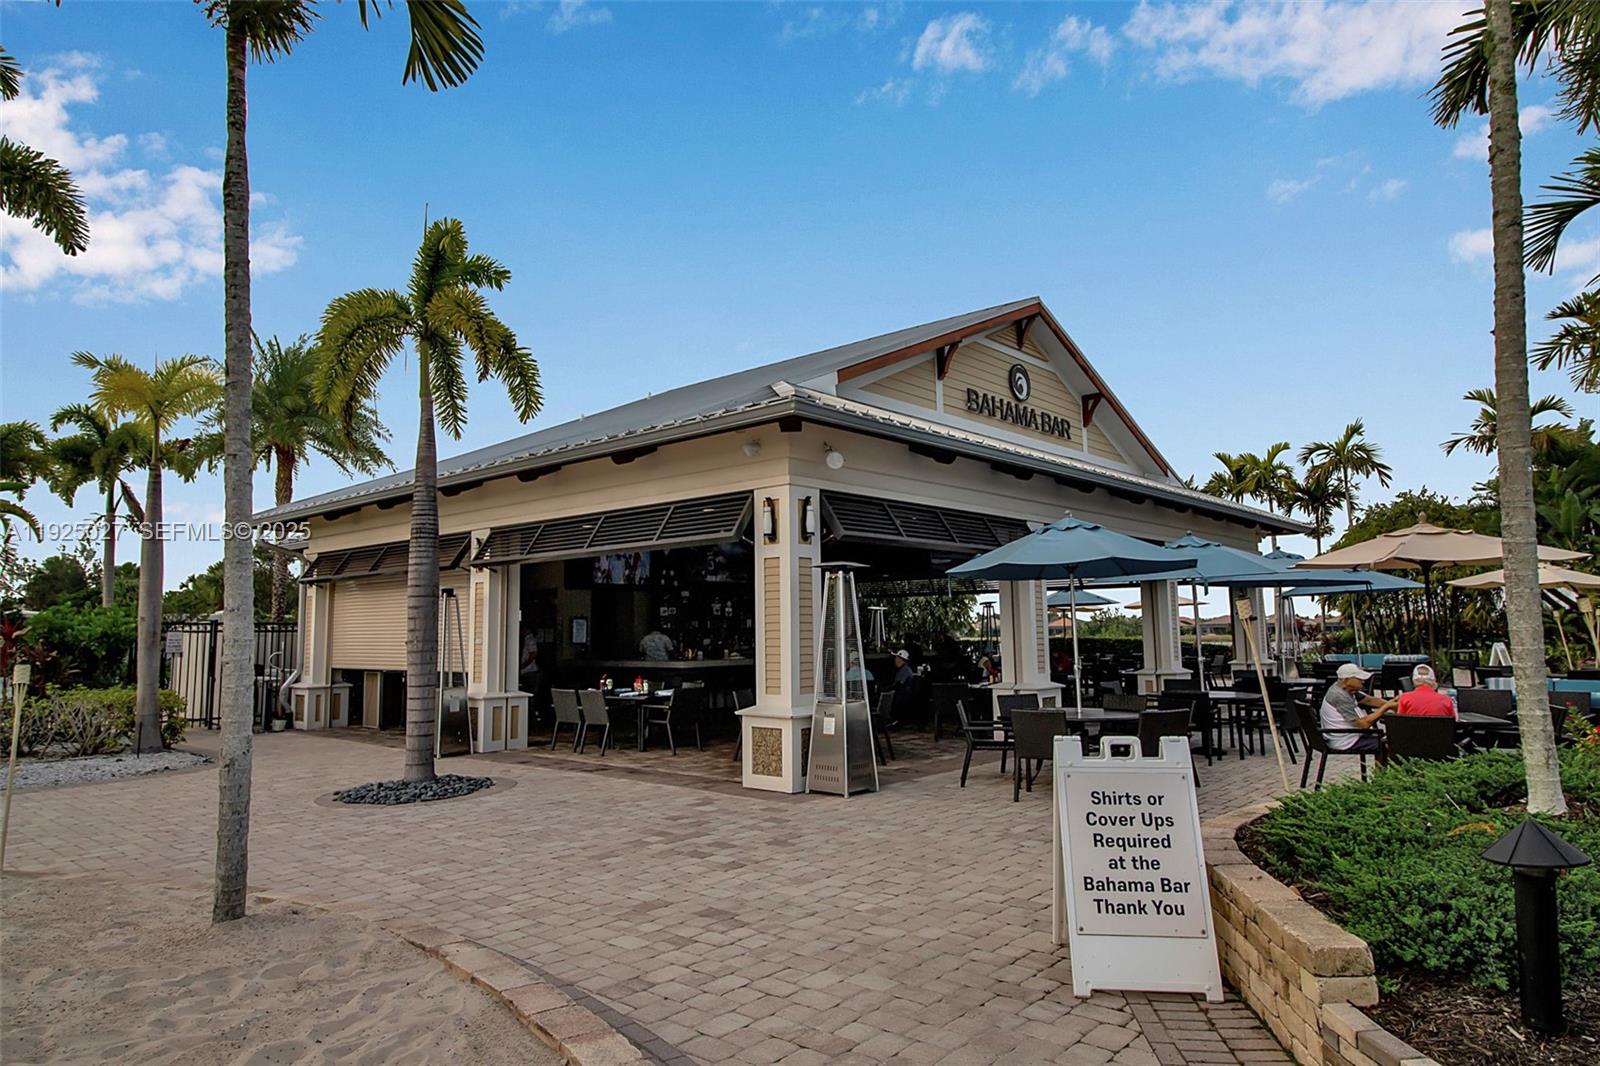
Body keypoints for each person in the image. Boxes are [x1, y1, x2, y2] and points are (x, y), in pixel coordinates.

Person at [1319, 663, 1395, 761]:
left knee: (1386, 739)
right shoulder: (1340, 696)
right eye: (1359, 678)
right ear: (1346, 680)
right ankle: (1381, 775)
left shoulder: (1347, 689)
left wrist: (1394, 703)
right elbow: (1364, 724)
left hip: (1351, 734)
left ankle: (1381, 774)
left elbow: (1369, 700)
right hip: (1345, 741)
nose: (1363, 681)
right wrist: (1387, 707)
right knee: (1387, 744)